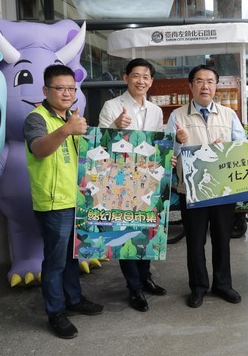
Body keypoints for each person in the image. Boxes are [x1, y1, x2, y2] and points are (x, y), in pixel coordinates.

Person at [24, 64, 104, 339]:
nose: (67, 93)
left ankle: (74, 299)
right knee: (55, 261)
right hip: (53, 202)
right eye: (60, 88)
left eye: (71, 88)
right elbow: (39, 148)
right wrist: (66, 130)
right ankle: (55, 312)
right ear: (46, 90)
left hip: (77, 200)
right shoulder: (36, 118)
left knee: (73, 256)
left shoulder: (74, 119)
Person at [167, 65, 246, 308]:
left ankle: (223, 284)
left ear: (216, 86)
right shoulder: (177, 116)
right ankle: (198, 287)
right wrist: (177, 143)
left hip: (222, 188)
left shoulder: (228, 114)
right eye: (199, 81)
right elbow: (167, 153)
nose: (205, 86)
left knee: (222, 239)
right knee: (195, 241)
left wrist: (228, 146)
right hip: (190, 189)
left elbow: (243, 145)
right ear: (190, 86)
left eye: (210, 81)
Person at [98, 58, 166, 312]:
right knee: (126, 230)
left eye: (146, 76)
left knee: (148, 230)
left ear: (151, 81)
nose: (141, 81)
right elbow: (99, 144)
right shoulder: (111, 106)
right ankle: (134, 287)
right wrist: (116, 127)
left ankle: (146, 277)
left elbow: (159, 144)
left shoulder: (156, 110)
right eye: (136, 76)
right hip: (121, 180)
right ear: (126, 78)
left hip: (148, 179)